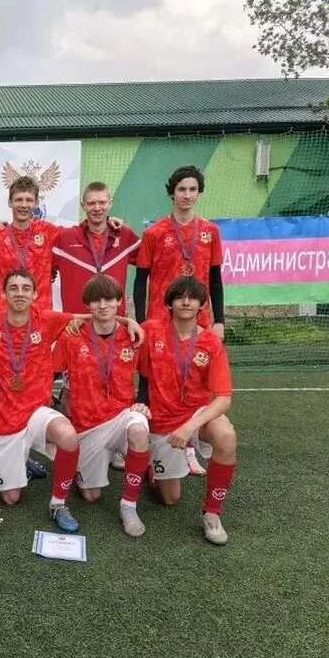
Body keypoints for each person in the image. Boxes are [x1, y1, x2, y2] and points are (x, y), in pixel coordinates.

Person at [0, 269, 86, 532]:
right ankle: (21, 461)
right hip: (2, 421)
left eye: (25, 288)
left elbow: (97, 315)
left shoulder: (47, 319)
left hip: (35, 412)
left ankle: (58, 504)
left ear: (35, 294)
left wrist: (130, 322)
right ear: (3, 294)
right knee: (11, 498)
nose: (20, 293)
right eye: (13, 288)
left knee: (68, 435)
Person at [134, 166, 224, 476]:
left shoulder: (210, 231)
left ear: (199, 193)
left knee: (194, 380)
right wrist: (141, 319)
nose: (187, 195)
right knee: (154, 381)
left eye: (192, 189)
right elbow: (140, 280)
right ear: (172, 193)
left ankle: (190, 444)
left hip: (199, 319)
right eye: (181, 189)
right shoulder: (154, 233)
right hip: (161, 318)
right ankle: (151, 442)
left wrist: (219, 320)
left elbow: (215, 279)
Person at [138, 276, 237, 545]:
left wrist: (189, 427)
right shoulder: (151, 331)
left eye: (192, 298)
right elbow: (116, 333)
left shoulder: (211, 342)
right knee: (170, 499)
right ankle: (151, 468)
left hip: (195, 415)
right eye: (179, 297)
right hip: (161, 420)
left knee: (226, 436)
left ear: (202, 305)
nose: (185, 302)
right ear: (169, 303)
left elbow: (223, 399)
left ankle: (212, 513)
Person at [53, 274, 151, 537]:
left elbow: (148, 374)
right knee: (91, 495)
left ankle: (129, 506)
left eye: (109, 299)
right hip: (87, 426)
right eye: (96, 301)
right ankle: (101, 462)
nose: (103, 305)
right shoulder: (72, 336)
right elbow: (51, 371)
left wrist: (143, 402)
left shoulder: (134, 336)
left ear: (120, 301)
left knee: (139, 430)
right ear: (87, 305)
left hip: (121, 417)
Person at [53, 182, 140, 314]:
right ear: (83, 205)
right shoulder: (65, 238)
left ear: (110, 203)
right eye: (91, 203)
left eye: (102, 202)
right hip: (78, 322)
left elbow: (153, 261)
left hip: (114, 321)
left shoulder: (124, 235)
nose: (97, 208)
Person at [0, 176, 61, 311]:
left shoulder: (49, 232)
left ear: (36, 203)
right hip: (5, 315)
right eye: (18, 200)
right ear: (9, 202)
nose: (23, 205)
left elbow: (80, 236)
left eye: (29, 200)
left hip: (41, 316)